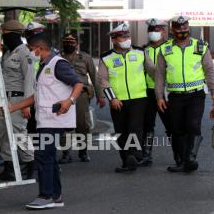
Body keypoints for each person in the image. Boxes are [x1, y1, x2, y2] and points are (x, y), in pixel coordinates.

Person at [9, 32, 83, 209]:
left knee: (43, 157)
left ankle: (46, 196)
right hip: (46, 120)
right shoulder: (43, 66)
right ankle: (56, 196)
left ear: (40, 49)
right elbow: (37, 96)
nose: (30, 54)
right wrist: (13, 107)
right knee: (48, 157)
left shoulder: (58, 64)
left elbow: (78, 83)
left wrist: (69, 101)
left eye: (31, 50)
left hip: (55, 120)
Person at [155, 16, 214, 173]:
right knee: (177, 129)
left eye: (185, 26)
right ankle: (181, 161)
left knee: (193, 126)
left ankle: (190, 158)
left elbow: (209, 72)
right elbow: (160, 75)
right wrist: (159, 97)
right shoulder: (165, 49)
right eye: (179, 27)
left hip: (196, 95)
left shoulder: (201, 46)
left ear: (188, 27)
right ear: (172, 29)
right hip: (175, 97)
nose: (182, 30)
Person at [98, 23, 155, 173]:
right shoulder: (106, 57)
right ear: (114, 40)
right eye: (123, 36)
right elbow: (103, 80)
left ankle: (134, 155)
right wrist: (112, 98)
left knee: (135, 127)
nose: (126, 38)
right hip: (118, 101)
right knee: (121, 131)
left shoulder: (140, 52)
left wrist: (164, 77)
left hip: (139, 98)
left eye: (128, 35)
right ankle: (126, 161)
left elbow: (152, 70)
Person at [0, 20, 35, 181]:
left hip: (18, 99)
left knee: (19, 133)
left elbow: (29, 80)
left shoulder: (25, 53)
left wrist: (27, 105)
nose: (3, 37)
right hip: (5, 99)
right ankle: (9, 167)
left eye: (5, 34)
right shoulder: (8, 53)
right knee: (3, 133)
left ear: (15, 34)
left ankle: (31, 164)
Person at [59, 33, 105, 163]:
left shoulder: (85, 57)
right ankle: (66, 153)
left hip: (81, 96)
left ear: (77, 44)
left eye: (72, 42)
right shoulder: (57, 58)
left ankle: (83, 151)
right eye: (66, 42)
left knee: (82, 124)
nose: (69, 44)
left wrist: (100, 96)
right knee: (64, 124)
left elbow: (95, 77)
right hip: (63, 95)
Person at [142, 18, 172, 166]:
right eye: (151, 30)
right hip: (147, 92)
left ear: (164, 31)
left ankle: (179, 155)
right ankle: (146, 155)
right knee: (147, 125)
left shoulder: (171, 48)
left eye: (157, 30)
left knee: (171, 124)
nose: (154, 33)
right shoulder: (143, 50)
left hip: (166, 92)